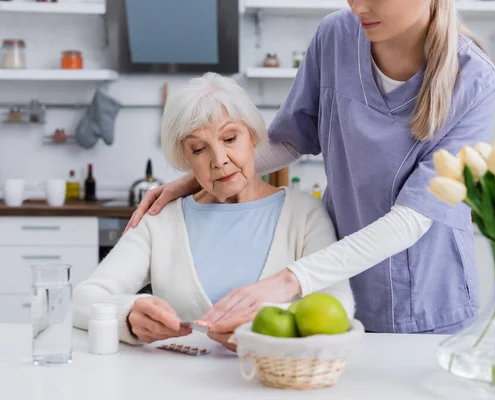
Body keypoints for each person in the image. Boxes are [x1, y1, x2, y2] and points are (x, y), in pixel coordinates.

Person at [126, 0, 495, 335]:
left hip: (430, 296)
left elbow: (411, 219)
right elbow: (292, 139)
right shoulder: (336, 36)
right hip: (339, 283)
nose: (357, 8)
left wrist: (289, 280)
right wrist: (195, 179)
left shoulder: (475, 80)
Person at [73, 74, 354, 350]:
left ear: (253, 137)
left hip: (274, 385)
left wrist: (264, 330)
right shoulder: (161, 220)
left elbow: (338, 306)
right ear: (185, 159)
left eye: (230, 138)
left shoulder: (305, 215)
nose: (219, 161)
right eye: (198, 149)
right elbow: (82, 299)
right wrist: (127, 315)